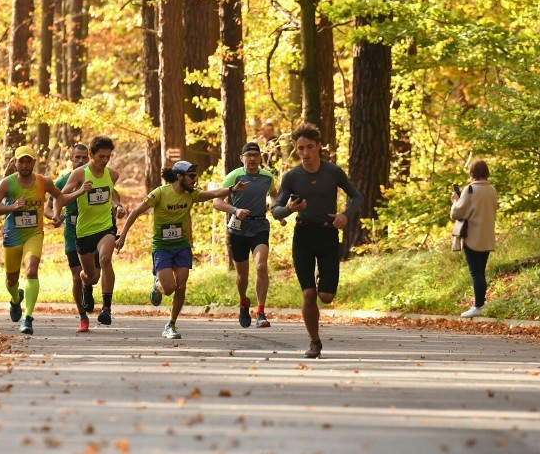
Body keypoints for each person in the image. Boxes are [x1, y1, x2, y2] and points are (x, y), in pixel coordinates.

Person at [115, 161, 246, 339]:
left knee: (181, 285)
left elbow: (214, 193)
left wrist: (232, 189)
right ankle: (157, 285)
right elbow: (136, 212)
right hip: (162, 247)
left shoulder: (191, 195)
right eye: (191, 176)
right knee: (168, 288)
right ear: (179, 177)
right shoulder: (160, 193)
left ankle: (171, 324)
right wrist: (123, 235)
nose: (195, 180)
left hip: (181, 246)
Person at [271, 123, 363, 359]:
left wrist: (345, 215)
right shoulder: (292, 176)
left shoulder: (333, 172)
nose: (305, 153)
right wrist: (290, 209)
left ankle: (324, 280)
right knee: (309, 294)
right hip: (303, 236)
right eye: (300, 148)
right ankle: (314, 342)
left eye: (309, 147)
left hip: (328, 234)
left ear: (319, 146)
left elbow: (356, 196)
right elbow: (276, 210)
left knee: (326, 296)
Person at [0, 145, 84, 335]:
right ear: (15, 163)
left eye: (28, 160)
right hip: (12, 236)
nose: (24, 164)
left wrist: (55, 214)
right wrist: (12, 207)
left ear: (34, 162)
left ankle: (28, 318)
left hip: (34, 234)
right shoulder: (7, 184)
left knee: (31, 270)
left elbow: (59, 197)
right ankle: (15, 300)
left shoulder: (43, 182)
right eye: (21, 161)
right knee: (10, 280)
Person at [58, 136, 126, 326]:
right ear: (91, 155)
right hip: (84, 230)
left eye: (108, 157)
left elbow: (112, 193)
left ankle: (106, 309)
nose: (105, 161)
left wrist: (118, 206)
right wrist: (79, 192)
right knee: (90, 276)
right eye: (101, 157)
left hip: (105, 226)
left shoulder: (112, 174)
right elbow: (61, 199)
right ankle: (85, 283)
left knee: (105, 259)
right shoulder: (79, 175)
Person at [213, 142, 278, 328]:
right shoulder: (234, 176)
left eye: (255, 155)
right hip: (238, 229)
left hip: (259, 225)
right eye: (248, 155)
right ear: (242, 158)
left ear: (259, 158)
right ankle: (243, 302)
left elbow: (275, 196)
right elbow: (216, 202)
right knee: (242, 276)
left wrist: (277, 210)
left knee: (261, 266)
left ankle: (260, 313)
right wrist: (234, 209)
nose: (252, 158)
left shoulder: (267, 177)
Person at [44, 144, 101, 333]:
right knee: (76, 277)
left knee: (93, 277)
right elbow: (48, 207)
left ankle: (88, 286)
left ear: (89, 157)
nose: (81, 161)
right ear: (71, 158)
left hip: (94, 231)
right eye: (77, 157)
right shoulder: (61, 182)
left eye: (84, 157)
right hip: (72, 234)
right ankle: (83, 317)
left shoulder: (96, 177)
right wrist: (55, 216)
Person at [450, 159, 497, 318]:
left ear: (472, 174)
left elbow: (456, 213)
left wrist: (455, 200)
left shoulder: (469, 189)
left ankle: (478, 306)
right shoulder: (492, 190)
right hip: (487, 236)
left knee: (476, 272)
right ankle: (480, 304)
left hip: (472, 236)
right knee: (481, 271)